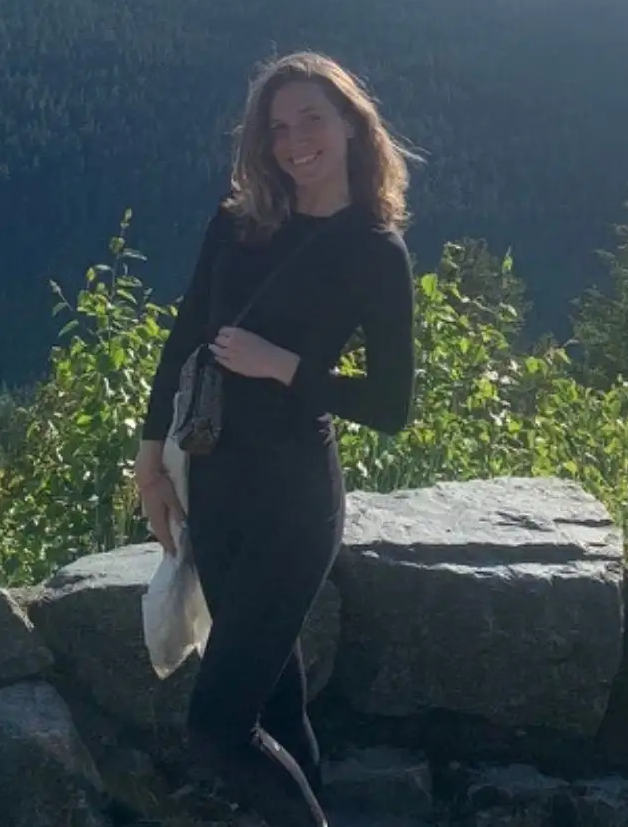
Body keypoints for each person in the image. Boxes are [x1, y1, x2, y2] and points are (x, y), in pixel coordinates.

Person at [128, 51, 419, 827]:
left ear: (355, 127)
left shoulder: (374, 251)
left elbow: (392, 404)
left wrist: (284, 366)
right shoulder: (239, 219)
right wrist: (151, 453)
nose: (295, 143)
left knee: (218, 730)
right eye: (278, 127)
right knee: (278, 706)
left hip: (295, 502)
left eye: (312, 120)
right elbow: (187, 333)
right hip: (216, 483)